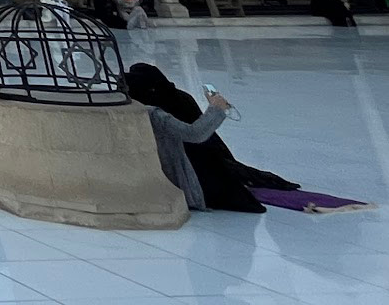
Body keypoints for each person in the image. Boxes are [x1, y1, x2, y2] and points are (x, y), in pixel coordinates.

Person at [126, 63, 297, 212]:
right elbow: (196, 134)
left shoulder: (137, 107)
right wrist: (216, 108)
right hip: (193, 181)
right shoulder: (159, 111)